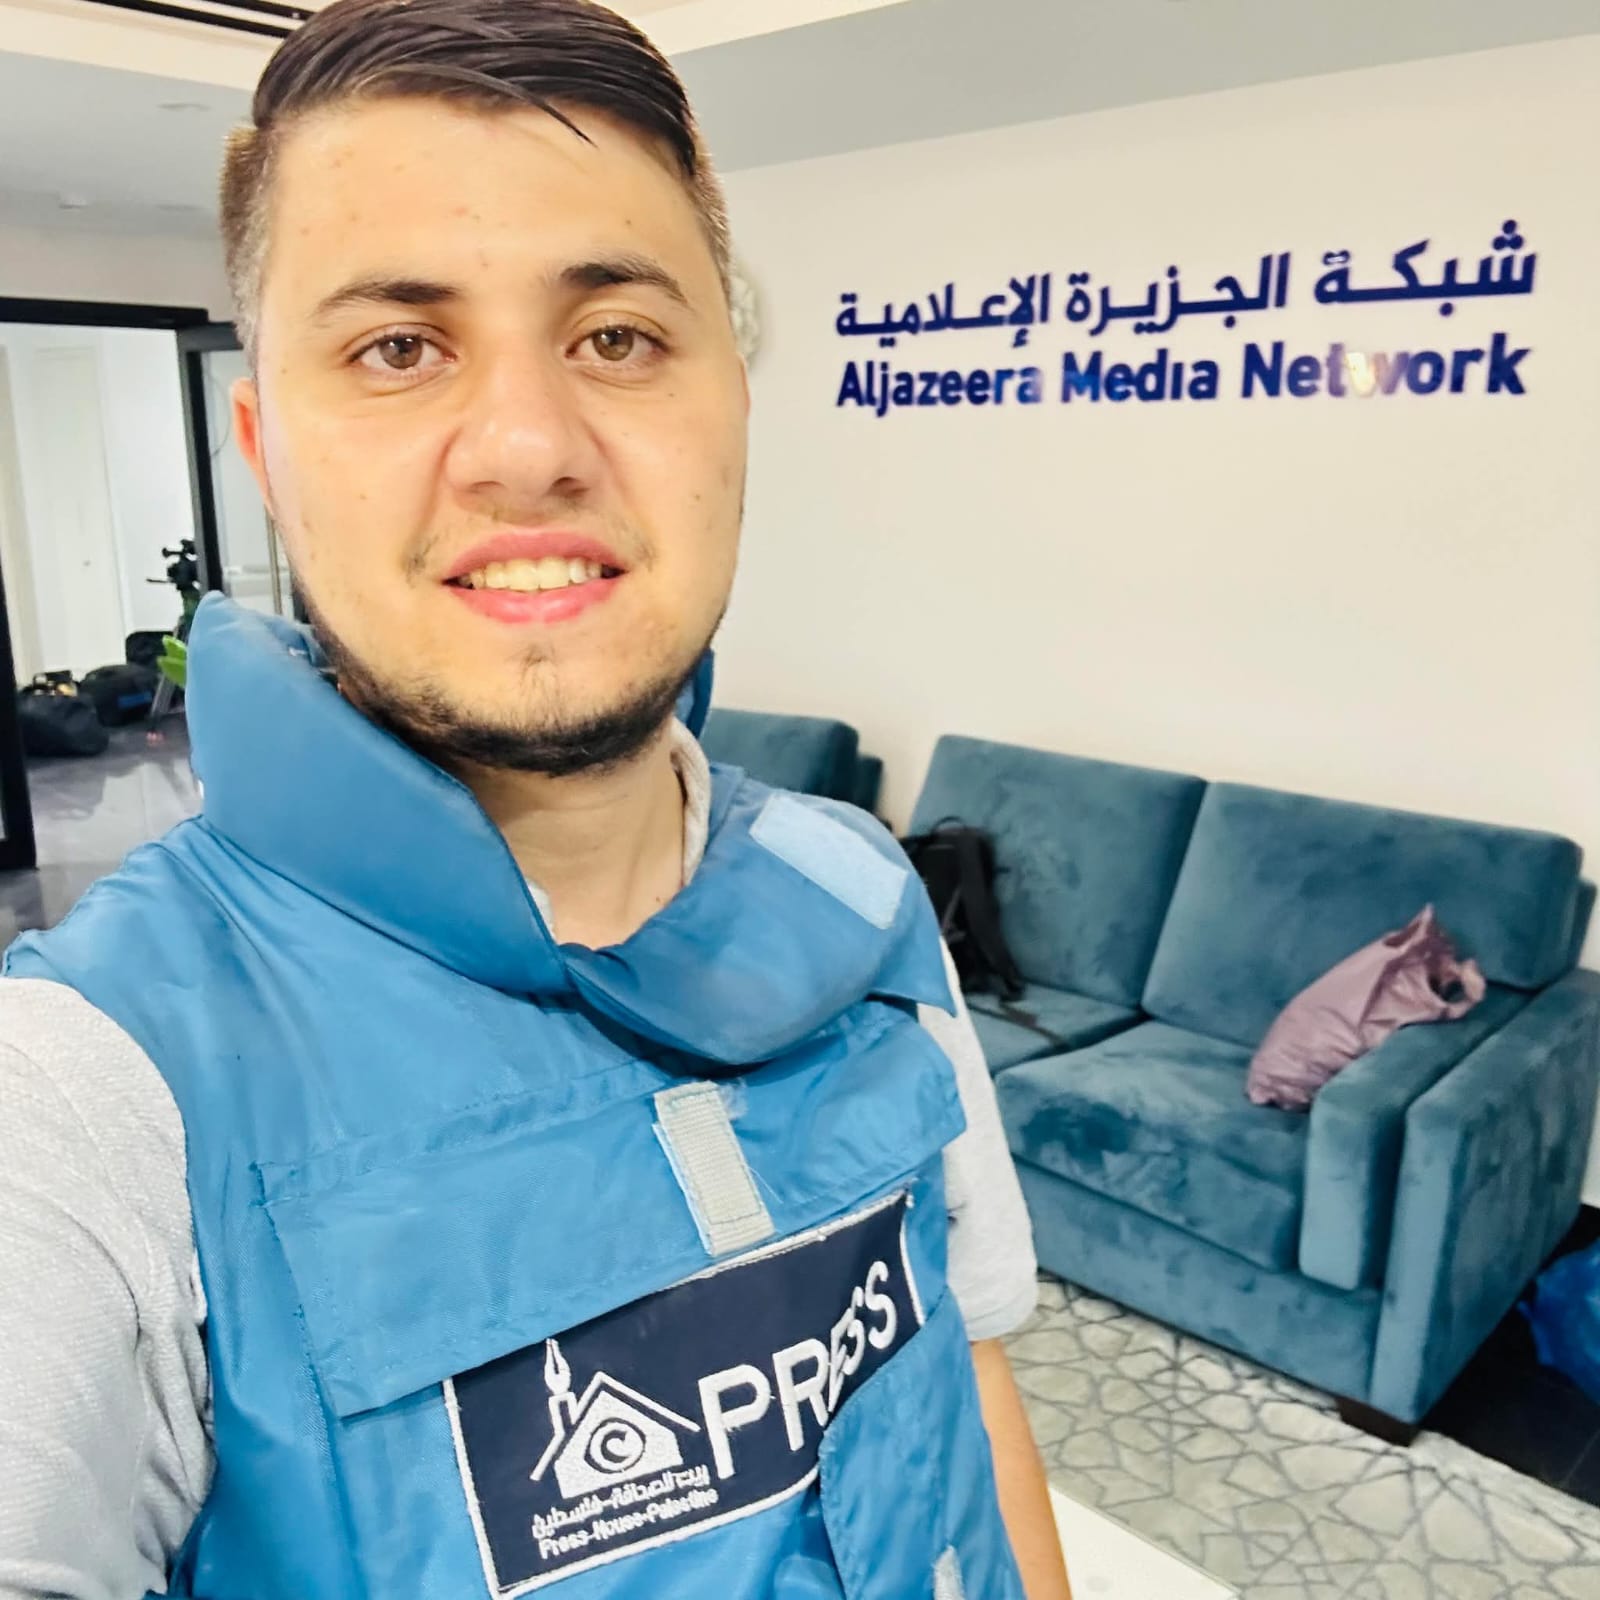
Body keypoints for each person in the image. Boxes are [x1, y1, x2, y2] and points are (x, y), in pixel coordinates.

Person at [0, 2, 1074, 1596]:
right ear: (266, 450)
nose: (525, 448)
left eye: (618, 338)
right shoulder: (88, 1100)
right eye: (398, 348)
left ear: (736, 398)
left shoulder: (859, 895)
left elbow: (973, 1382)